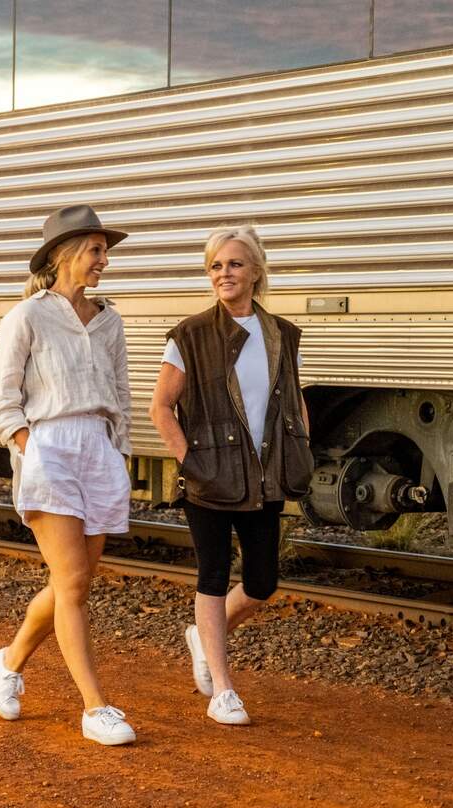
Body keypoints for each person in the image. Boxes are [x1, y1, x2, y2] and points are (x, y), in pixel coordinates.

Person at [148, 225, 314, 725]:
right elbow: (161, 407)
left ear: (257, 271)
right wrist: (191, 463)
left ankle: (203, 635)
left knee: (263, 582)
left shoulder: (282, 334)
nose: (224, 273)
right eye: (216, 265)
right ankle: (223, 689)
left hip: (264, 476)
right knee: (214, 576)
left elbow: (295, 399)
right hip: (211, 477)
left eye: (235, 264)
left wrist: (302, 450)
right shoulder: (191, 335)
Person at [0, 205, 136, 746]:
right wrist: (34, 450)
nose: (103, 261)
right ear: (63, 255)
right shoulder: (25, 317)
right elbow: (5, 403)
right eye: (95, 250)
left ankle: (7, 661)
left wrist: (120, 454)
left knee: (74, 580)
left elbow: (120, 395)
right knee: (72, 583)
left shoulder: (110, 319)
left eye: (104, 251)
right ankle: (95, 707)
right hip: (50, 447)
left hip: (98, 449)